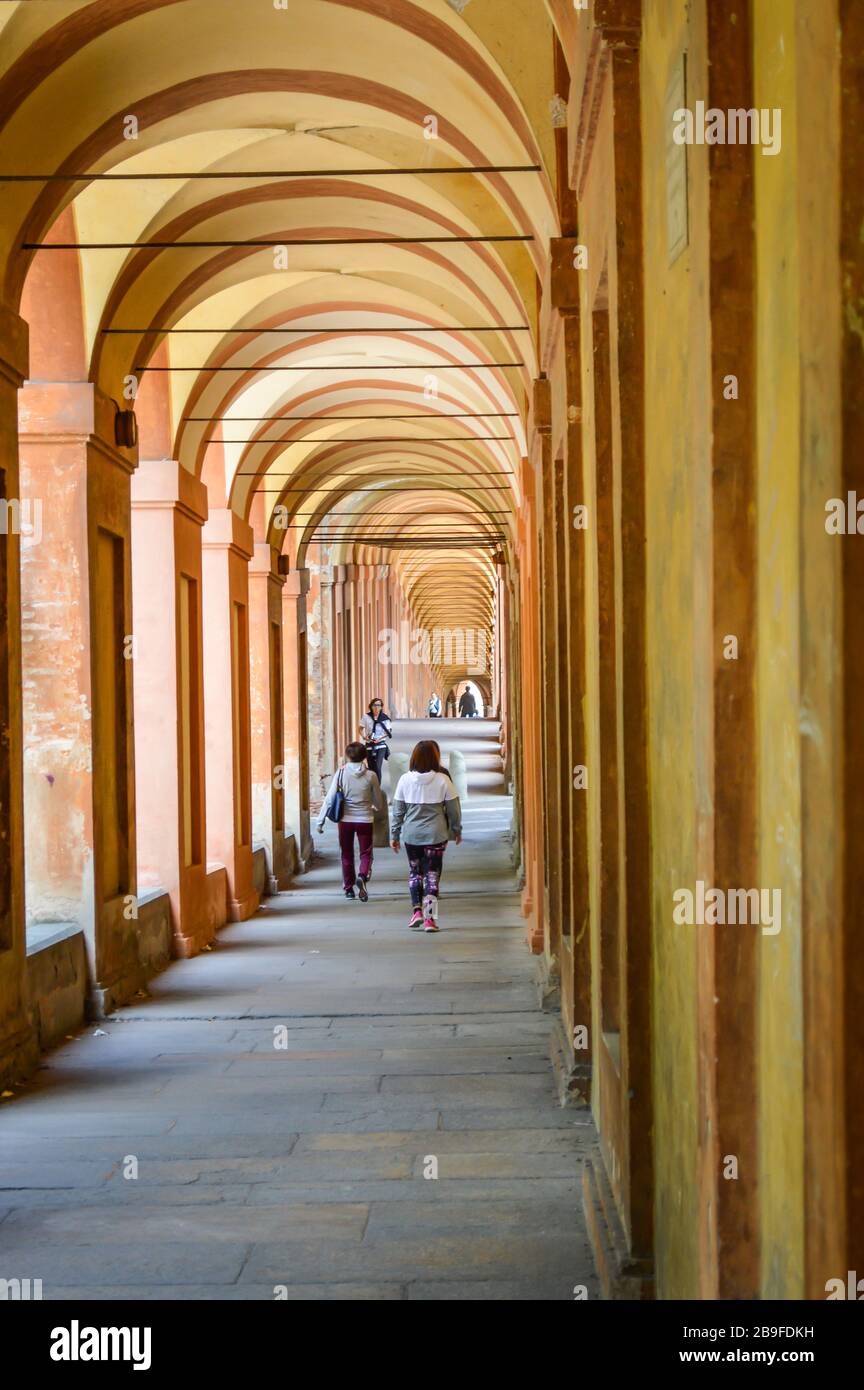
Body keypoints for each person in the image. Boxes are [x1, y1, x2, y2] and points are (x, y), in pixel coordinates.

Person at [390, 740, 462, 933]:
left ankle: (416, 912)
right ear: (435, 757)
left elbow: (398, 811)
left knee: (415, 872)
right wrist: (456, 829)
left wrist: (394, 834)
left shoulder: (404, 780)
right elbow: (454, 808)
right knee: (432, 876)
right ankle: (430, 919)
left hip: (411, 834)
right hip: (436, 834)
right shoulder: (442, 780)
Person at [317, 742, 384, 901]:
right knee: (366, 853)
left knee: (346, 854)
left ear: (348, 756)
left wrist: (320, 822)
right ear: (365, 756)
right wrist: (374, 806)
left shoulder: (340, 773)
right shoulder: (371, 776)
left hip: (345, 820)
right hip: (365, 819)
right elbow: (378, 802)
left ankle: (348, 889)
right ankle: (362, 875)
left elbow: (330, 798)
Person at [359, 697, 392, 782]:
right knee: (371, 767)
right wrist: (364, 736)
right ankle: (372, 785)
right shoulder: (366, 717)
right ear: (371, 706)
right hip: (369, 745)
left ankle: (377, 786)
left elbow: (388, 732)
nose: (376, 707)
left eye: (379, 705)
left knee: (378, 766)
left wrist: (380, 739)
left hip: (381, 745)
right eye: (374, 705)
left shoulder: (384, 718)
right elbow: (360, 728)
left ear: (381, 707)